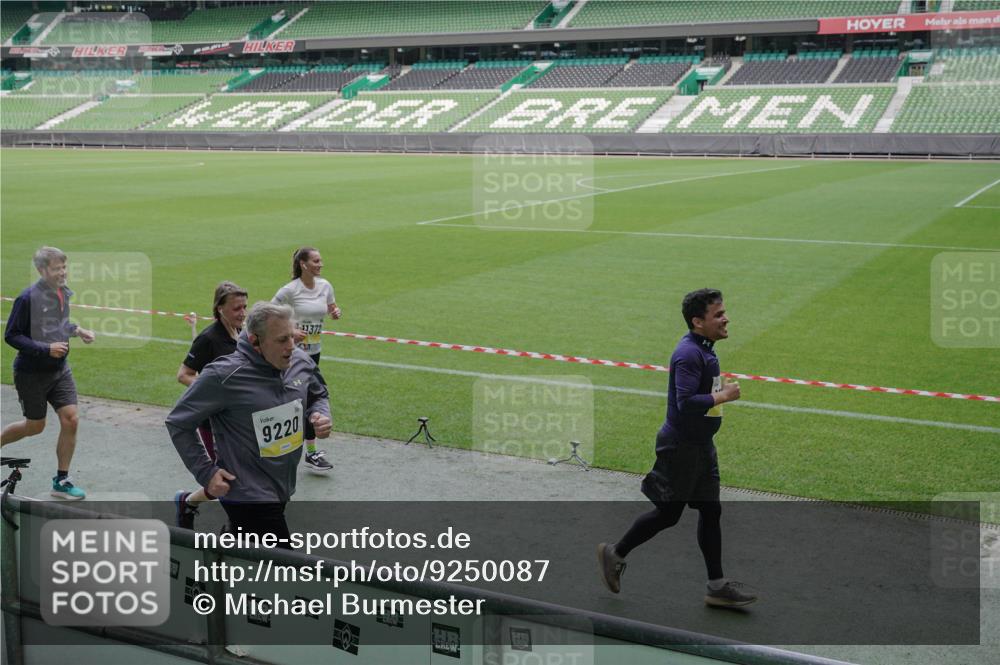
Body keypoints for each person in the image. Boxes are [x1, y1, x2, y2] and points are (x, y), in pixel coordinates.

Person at [598, 288, 756, 608]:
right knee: (668, 515)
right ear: (698, 322)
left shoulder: (705, 348)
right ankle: (614, 553)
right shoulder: (688, 354)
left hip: (701, 446)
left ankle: (716, 586)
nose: (726, 318)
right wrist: (723, 396)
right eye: (718, 314)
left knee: (711, 511)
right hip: (681, 447)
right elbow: (685, 403)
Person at [165, 302, 331, 540]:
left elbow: (318, 393)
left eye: (291, 337)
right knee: (283, 567)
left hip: (281, 484)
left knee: (245, 549)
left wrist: (321, 414)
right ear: (255, 342)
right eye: (282, 340)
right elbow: (178, 422)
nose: (291, 347)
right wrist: (206, 472)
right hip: (245, 492)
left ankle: (218, 561)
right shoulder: (224, 375)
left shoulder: (300, 362)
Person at [2, 246, 95, 500]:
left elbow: (59, 323)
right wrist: (46, 349)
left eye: (64, 267)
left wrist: (78, 330)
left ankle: (61, 481)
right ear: (42, 270)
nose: (63, 272)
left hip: (60, 370)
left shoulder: (63, 292)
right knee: (35, 427)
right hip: (31, 373)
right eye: (57, 268)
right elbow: (11, 335)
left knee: (71, 418)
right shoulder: (27, 298)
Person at [173, 281, 248, 529]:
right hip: (213, 422)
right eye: (237, 308)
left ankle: (189, 502)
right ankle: (190, 503)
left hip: (239, 420)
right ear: (220, 309)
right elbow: (184, 374)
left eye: (244, 307)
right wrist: (215, 396)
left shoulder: (243, 334)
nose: (242, 313)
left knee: (242, 475)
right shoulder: (208, 339)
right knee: (225, 479)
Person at [272, 247, 340, 475]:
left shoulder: (325, 286)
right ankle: (282, 448)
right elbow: (268, 315)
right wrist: (291, 331)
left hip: (314, 353)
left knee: (310, 399)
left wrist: (335, 311)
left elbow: (330, 306)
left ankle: (309, 452)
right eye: (317, 261)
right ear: (303, 264)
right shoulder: (290, 290)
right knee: (289, 400)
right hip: (290, 356)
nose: (321, 264)